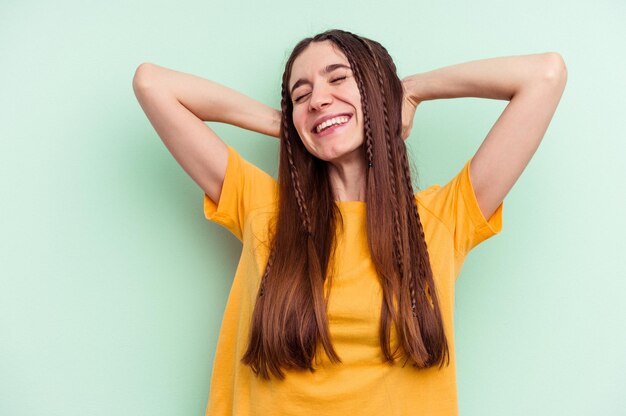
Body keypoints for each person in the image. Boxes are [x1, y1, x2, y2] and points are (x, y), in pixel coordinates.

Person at [132, 29, 567, 416]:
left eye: (338, 79)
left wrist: (407, 91)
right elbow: (152, 84)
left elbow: (544, 75)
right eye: (301, 94)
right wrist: (291, 126)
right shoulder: (264, 208)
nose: (318, 98)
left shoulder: (441, 219)